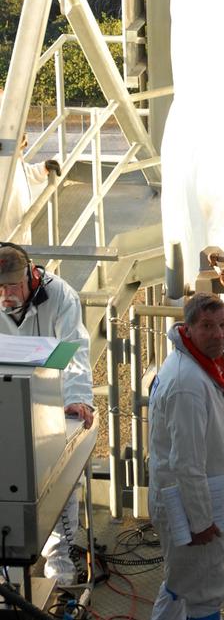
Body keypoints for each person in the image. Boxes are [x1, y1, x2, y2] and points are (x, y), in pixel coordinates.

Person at [0, 242, 94, 584]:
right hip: (5, 403)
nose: (6, 294)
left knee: (62, 485)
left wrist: (78, 399)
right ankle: (10, 577)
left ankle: (61, 571)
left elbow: (75, 350)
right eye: (0, 288)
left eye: (12, 286)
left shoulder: (60, 296)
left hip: (53, 401)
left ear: (30, 277)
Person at [144, 293, 224, 620]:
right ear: (189, 328)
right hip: (193, 509)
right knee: (205, 596)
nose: (219, 334)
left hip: (187, 502)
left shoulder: (194, 368)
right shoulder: (188, 384)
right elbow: (187, 463)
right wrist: (200, 521)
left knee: (180, 585)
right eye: (208, 326)